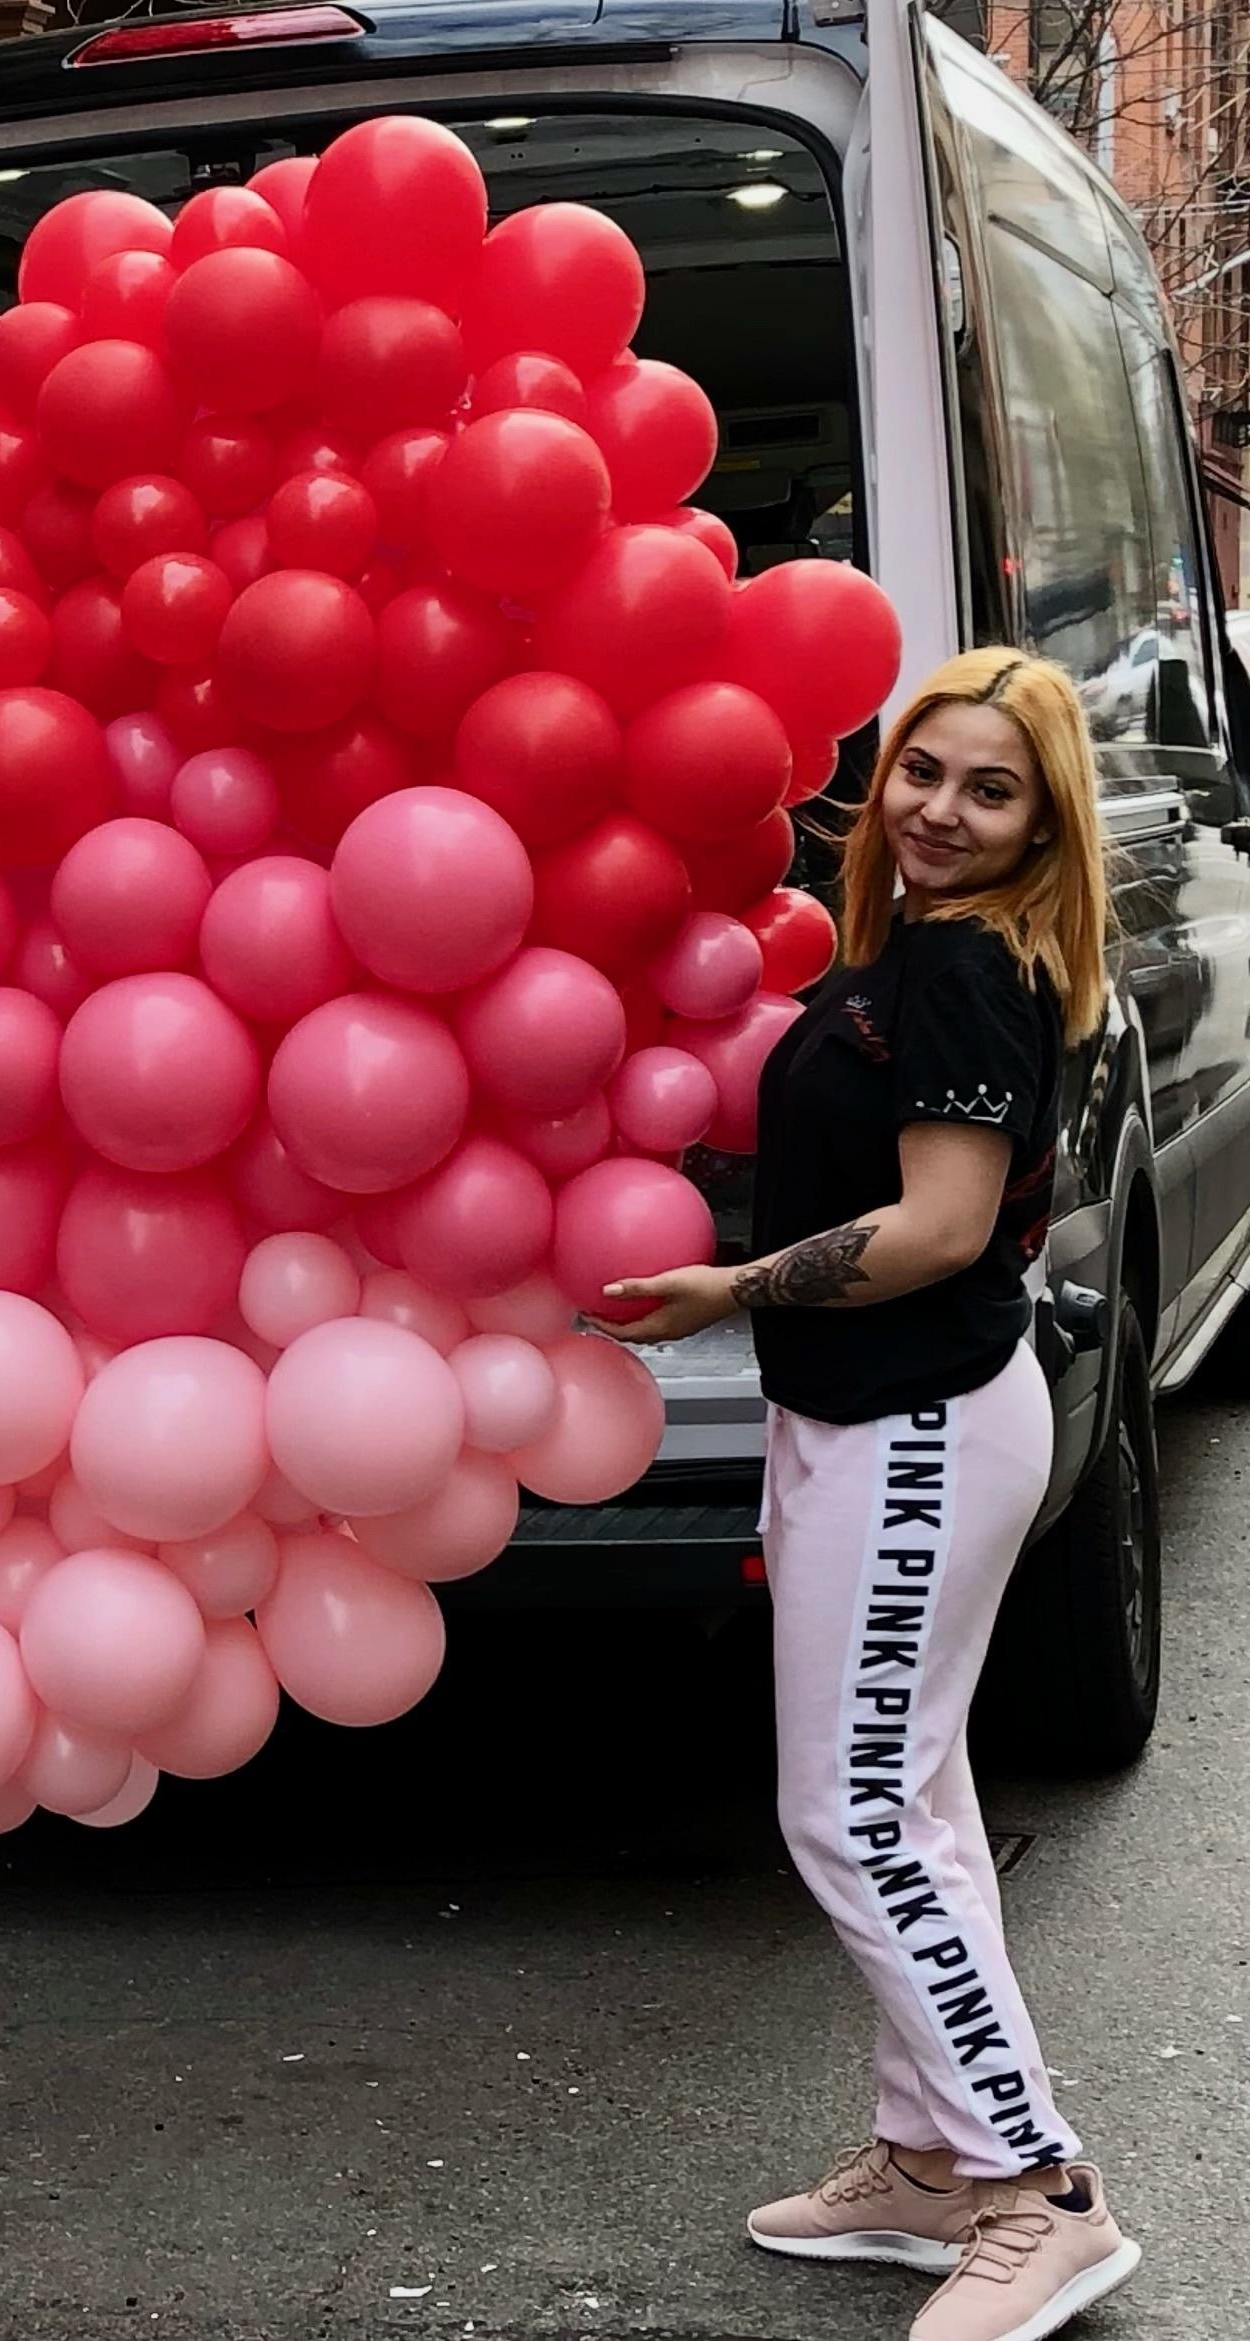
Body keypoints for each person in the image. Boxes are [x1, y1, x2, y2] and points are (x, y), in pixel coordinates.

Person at [599, 649, 1135, 2341]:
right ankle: (922, 2159)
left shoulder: (972, 971)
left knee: (846, 1818)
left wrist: (727, 1287)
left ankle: (1033, 2187)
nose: (941, 812)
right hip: (865, 1421)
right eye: (922, 772)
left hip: (912, 1422)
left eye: (990, 792)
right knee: (913, 1803)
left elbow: (935, 1229)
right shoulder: (901, 949)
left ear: (1041, 821)